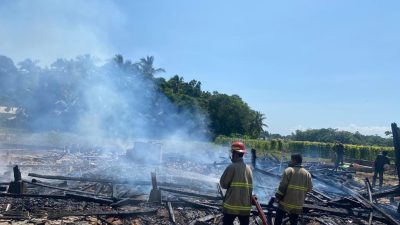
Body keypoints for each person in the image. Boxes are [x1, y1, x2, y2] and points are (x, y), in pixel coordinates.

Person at [220, 141, 253, 225]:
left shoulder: (232, 167)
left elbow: (223, 184)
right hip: (245, 207)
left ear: (235, 154)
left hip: (232, 206)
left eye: (232, 153)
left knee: (227, 223)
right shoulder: (249, 169)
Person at [274, 154, 312, 225]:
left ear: (295, 160)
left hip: (285, 203)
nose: (290, 161)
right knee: (294, 222)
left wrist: (277, 197)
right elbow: (309, 189)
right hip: (297, 205)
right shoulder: (307, 174)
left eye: (291, 160)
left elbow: (282, 186)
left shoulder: (289, 170)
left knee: (278, 219)